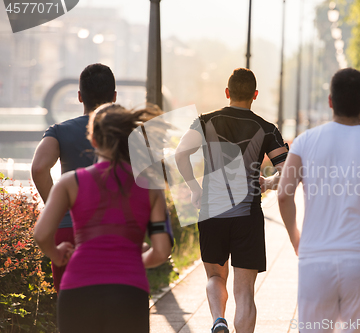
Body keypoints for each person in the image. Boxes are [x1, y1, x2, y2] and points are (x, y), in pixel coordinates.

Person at [278, 68, 360, 333]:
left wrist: (295, 237)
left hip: (314, 260)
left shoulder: (304, 143)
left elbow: (283, 194)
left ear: (330, 101)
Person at [34, 104, 173, 333]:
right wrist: (135, 261)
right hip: (129, 291)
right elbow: (162, 250)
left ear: (94, 140)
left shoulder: (69, 183)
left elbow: (41, 234)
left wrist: (57, 254)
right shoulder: (150, 186)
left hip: (77, 291)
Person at [175, 68, 288, 333]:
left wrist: (195, 189)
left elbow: (181, 154)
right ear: (255, 95)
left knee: (215, 276)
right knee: (245, 292)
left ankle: (218, 320)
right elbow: (289, 169)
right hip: (247, 215)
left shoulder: (204, 121)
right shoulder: (266, 128)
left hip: (212, 212)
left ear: (227, 93)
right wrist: (270, 182)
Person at [31, 63, 117, 292]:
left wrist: (56, 207)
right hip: (116, 227)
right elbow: (150, 180)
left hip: (70, 227)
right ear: (115, 96)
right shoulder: (131, 133)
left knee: (73, 302)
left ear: (80, 96)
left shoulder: (60, 131)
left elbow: (39, 169)